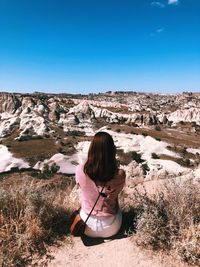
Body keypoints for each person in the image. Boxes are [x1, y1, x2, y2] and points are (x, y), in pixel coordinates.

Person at [75, 131, 126, 238]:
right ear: (112, 151)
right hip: (111, 227)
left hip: (86, 226)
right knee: (118, 207)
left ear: (92, 149)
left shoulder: (80, 170)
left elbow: (81, 187)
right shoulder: (119, 175)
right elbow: (116, 194)